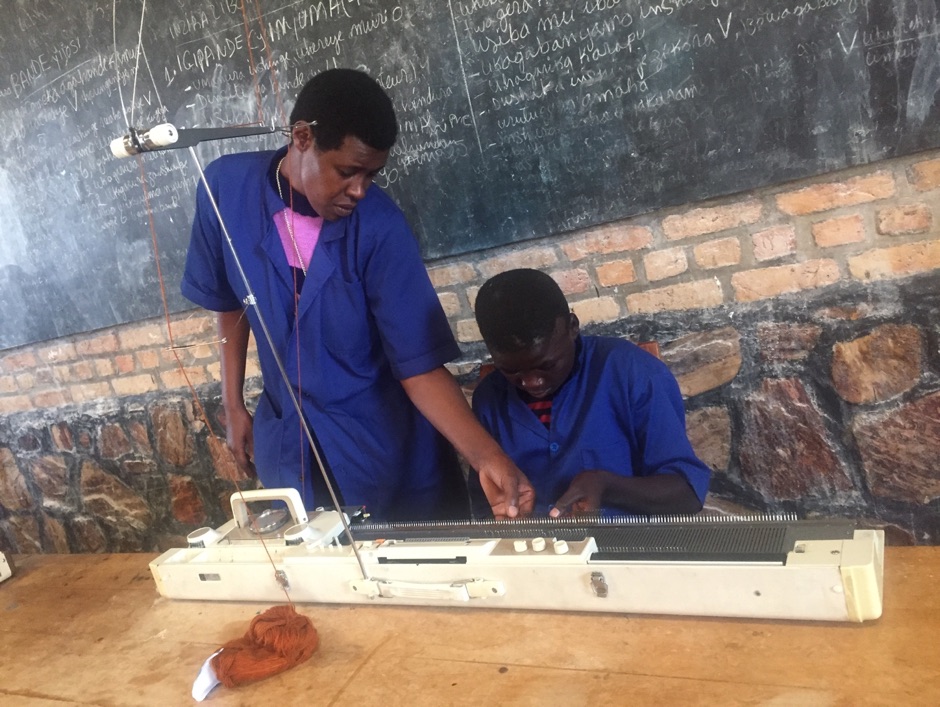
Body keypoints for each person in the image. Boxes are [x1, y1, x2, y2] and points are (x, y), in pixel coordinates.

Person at [181, 68, 533, 521]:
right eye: (348, 172)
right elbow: (231, 301)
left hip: (383, 455)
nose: (360, 191)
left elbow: (418, 365)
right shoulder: (224, 191)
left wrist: (488, 457)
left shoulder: (380, 228)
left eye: (372, 175)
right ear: (303, 137)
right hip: (291, 444)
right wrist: (232, 405)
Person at [470, 268, 711, 517]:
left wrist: (607, 486)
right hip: (532, 552)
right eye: (512, 371)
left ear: (573, 327)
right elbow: (482, 504)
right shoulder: (488, 399)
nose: (532, 382)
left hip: (625, 549)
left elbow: (688, 494)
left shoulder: (632, 372)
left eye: (547, 365)